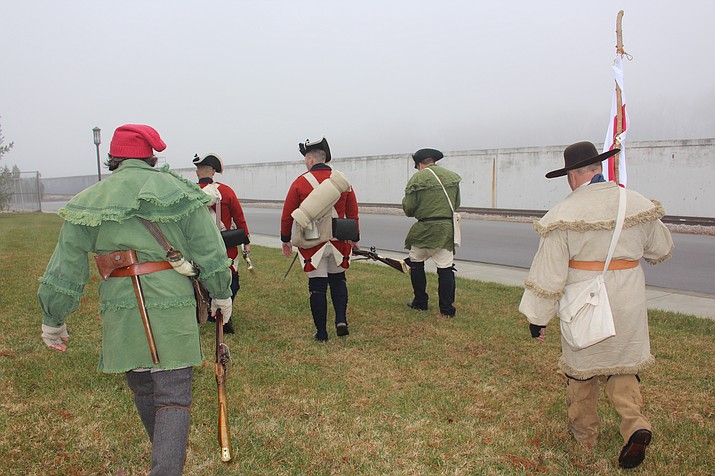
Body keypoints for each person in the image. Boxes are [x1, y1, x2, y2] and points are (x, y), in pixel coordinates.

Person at [38, 124, 233, 476]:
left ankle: (164, 465)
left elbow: (66, 267)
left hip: (123, 312)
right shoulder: (179, 191)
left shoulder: (89, 201)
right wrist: (221, 293)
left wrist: (54, 318)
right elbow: (210, 250)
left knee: (144, 387)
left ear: (114, 158)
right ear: (150, 156)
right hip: (172, 307)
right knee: (172, 394)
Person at [518, 141, 674, 470]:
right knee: (623, 365)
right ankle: (636, 425)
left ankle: (584, 436)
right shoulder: (635, 202)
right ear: (598, 168)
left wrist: (538, 317)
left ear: (573, 175)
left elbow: (549, 273)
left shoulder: (563, 214)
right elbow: (660, 249)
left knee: (581, 371)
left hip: (584, 300)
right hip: (628, 298)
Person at [280, 137, 360, 341]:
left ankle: (322, 333)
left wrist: (285, 239)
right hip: (339, 240)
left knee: (317, 288)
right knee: (338, 281)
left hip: (312, 242)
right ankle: (341, 320)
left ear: (310, 159)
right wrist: (355, 238)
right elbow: (353, 212)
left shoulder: (299, 182)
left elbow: (288, 213)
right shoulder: (342, 181)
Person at [193, 153, 252, 334]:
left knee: (199, 281)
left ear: (197, 173)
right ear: (213, 172)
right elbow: (239, 217)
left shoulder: (190, 193)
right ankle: (222, 313)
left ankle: (207, 310)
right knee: (231, 281)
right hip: (225, 248)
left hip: (198, 248)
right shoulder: (226, 191)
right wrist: (246, 241)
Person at [402, 148, 462, 317]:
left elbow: (409, 209)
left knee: (416, 262)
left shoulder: (417, 178)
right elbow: (456, 203)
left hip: (424, 229)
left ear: (419, 164)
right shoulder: (452, 177)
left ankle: (420, 302)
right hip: (445, 229)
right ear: (434, 161)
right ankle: (447, 309)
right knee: (446, 268)